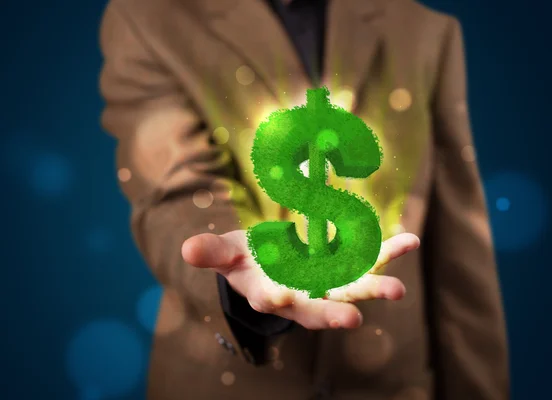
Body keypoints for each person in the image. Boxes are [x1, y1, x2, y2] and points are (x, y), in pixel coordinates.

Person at [99, 0, 509, 398]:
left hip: (393, 383)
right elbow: (174, 186)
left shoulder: (424, 30)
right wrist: (235, 265)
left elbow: (457, 241)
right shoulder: (149, 17)